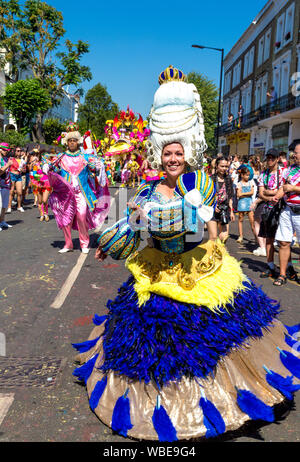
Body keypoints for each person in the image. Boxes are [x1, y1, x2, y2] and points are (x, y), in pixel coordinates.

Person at [72, 66, 300, 442]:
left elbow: (208, 230)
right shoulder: (148, 190)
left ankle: (221, 400)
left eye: (179, 153)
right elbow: (132, 226)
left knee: (212, 339)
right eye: (168, 153)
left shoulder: (202, 182)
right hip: (157, 274)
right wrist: (113, 240)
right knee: (151, 343)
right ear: (161, 156)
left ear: (186, 152)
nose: (174, 158)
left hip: (198, 271)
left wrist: (206, 226)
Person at [44, 123, 110, 254]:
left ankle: (84, 243)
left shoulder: (85, 157)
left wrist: (99, 166)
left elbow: (95, 170)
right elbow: (52, 168)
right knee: (66, 219)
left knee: (82, 215)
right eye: (70, 140)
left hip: (81, 193)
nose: (72, 143)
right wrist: (47, 167)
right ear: (66, 142)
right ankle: (68, 244)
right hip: (65, 194)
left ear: (78, 142)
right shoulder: (61, 158)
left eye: (74, 140)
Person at [272, 143, 300, 286]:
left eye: (296, 152)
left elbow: (290, 187)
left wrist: (294, 188)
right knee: (283, 242)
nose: (294, 155)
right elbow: (283, 188)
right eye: (294, 152)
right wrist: (276, 196)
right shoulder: (289, 170)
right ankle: (283, 274)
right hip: (287, 209)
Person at [258, 149, 285, 279]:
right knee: (269, 239)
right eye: (268, 157)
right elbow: (260, 193)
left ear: (277, 159)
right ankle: (270, 266)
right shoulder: (264, 174)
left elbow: (284, 190)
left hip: (282, 210)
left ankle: (287, 268)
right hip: (268, 210)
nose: (269, 160)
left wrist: (269, 192)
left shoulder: (283, 172)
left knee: (283, 241)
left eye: (272, 158)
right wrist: (272, 194)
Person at [210, 156, 235, 243]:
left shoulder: (228, 180)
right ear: (217, 166)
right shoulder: (211, 179)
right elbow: (206, 196)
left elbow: (230, 196)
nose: (224, 168)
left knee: (224, 237)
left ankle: (220, 253)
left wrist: (231, 211)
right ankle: (213, 254)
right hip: (213, 210)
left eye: (226, 166)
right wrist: (213, 205)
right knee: (213, 237)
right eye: (222, 166)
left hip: (224, 209)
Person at [236, 167, 257, 244]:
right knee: (240, 219)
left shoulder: (251, 182)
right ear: (242, 175)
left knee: (252, 221)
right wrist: (243, 194)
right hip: (242, 203)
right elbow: (238, 194)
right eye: (246, 175)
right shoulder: (239, 184)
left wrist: (243, 194)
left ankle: (256, 237)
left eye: (248, 175)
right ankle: (240, 235)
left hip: (249, 203)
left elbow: (252, 192)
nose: (248, 177)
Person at [6, 146, 26, 213]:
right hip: (12, 175)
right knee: (11, 192)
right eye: (18, 151)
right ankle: (9, 207)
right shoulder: (11, 159)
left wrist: (23, 170)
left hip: (19, 176)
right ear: (15, 151)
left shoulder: (22, 160)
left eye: (20, 151)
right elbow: (7, 166)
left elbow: (25, 170)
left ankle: (19, 206)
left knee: (19, 192)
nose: (19, 152)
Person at [0, 142, 13, 230]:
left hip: (6, 184)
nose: (6, 152)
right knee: (0, 205)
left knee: (4, 205)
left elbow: (7, 172)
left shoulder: (5, 158)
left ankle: (2, 221)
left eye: (6, 150)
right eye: (4, 150)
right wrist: (8, 165)